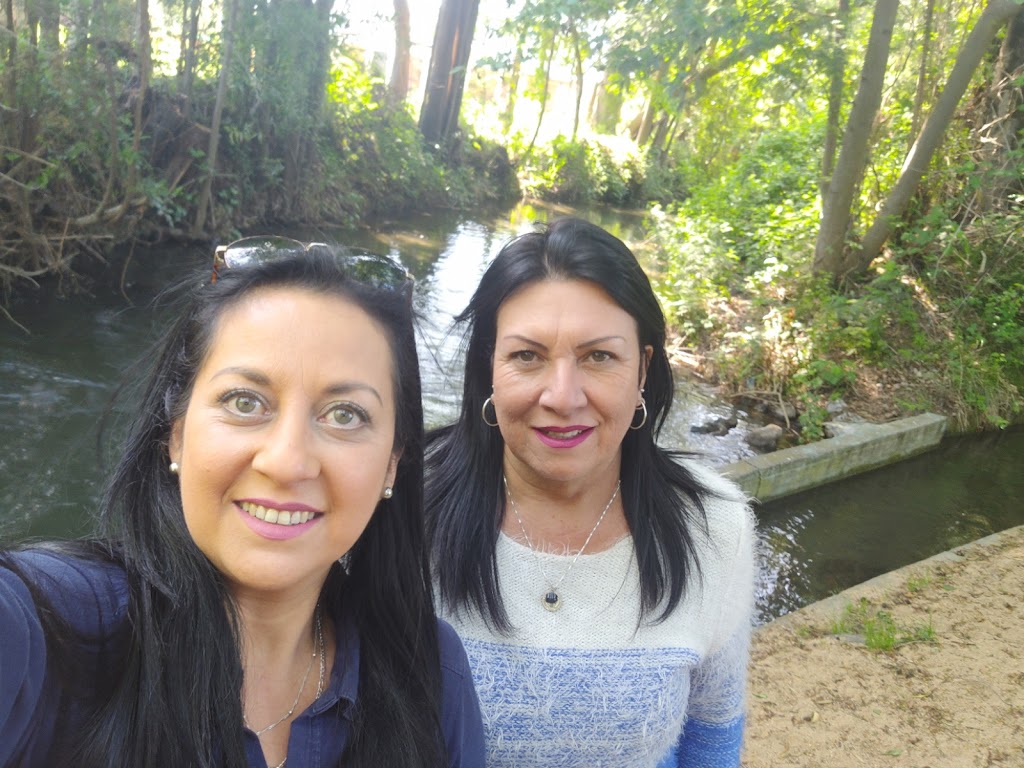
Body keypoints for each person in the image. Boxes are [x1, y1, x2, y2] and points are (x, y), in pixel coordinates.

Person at [0, 238, 484, 768]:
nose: (287, 462)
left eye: (345, 415)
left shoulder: (430, 674)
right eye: (245, 402)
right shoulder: (55, 630)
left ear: (392, 463)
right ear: (176, 435)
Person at [426, 217, 756, 767]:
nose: (563, 397)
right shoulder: (404, 505)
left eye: (599, 356)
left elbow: (713, 732)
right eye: (527, 356)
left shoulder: (714, 526)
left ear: (642, 369)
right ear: (489, 367)